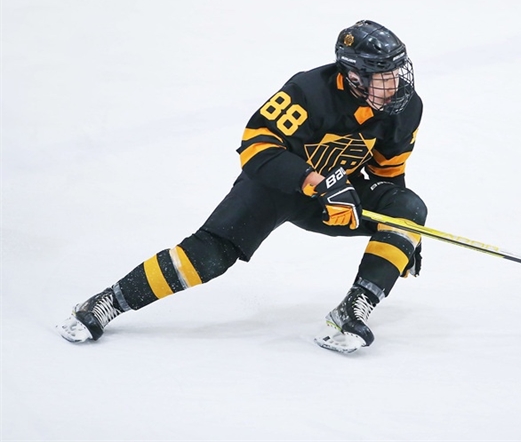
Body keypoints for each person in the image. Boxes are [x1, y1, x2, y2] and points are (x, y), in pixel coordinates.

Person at [57, 20, 427, 353]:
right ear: (354, 75)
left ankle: (351, 312)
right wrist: (317, 184)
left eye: (396, 71)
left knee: (409, 210)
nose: (394, 84)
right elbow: (256, 149)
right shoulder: (309, 91)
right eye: (382, 75)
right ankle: (108, 301)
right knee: (207, 257)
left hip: (336, 198)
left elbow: (388, 174)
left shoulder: (405, 107)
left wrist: (402, 235)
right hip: (278, 188)